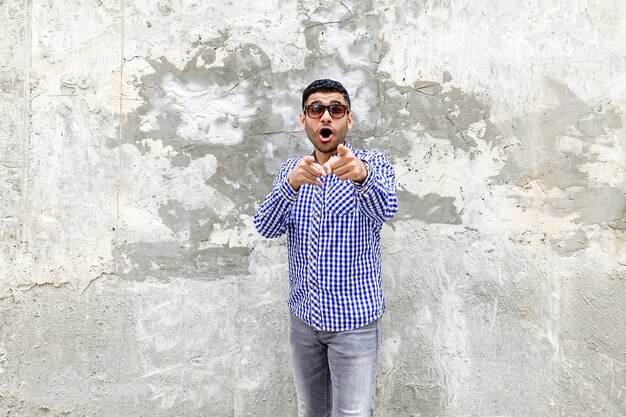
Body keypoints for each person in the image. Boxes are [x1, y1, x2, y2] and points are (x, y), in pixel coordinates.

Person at [254, 79, 398, 417]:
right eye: (316, 109)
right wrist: (289, 186)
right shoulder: (292, 171)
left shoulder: (373, 164)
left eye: (336, 109)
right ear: (304, 120)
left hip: (354, 323)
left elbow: (385, 210)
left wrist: (362, 177)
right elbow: (266, 226)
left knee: (353, 414)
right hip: (304, 321)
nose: (326, 117)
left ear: (349, 119)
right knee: (311, 412)